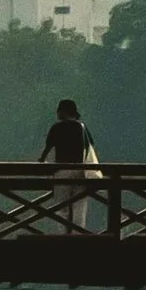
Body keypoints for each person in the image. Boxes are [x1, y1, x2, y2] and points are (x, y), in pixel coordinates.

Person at [39, 95, 100, 231]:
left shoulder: (57, 128)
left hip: (62, 170)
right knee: (79, 205)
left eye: (59, 110)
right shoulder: (82, 128)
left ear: (64, 112)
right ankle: (78, 234)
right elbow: (90, 149)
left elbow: (47, 150)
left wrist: (41, 162)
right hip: (80, 171)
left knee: (61, 207)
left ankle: (63, 235)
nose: (57, 113)